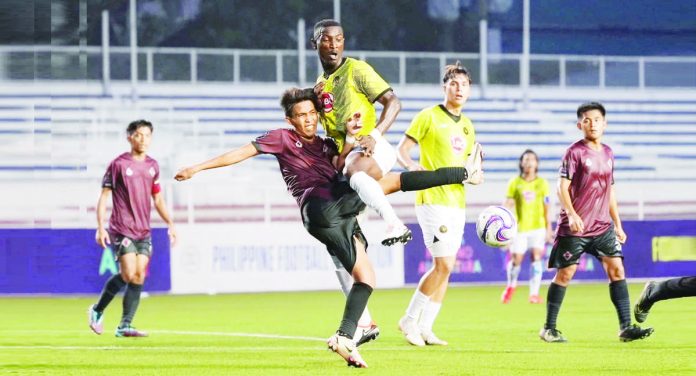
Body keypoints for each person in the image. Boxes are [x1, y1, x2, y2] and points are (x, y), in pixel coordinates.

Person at [174, 88, 480, 367]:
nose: (307, 120)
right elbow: (242, 152)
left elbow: (340, 164)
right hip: (320, 204)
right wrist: (197, 168)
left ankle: (345, 337)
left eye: (311, 114)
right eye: (301, 115)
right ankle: (461, 174)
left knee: (366, 278)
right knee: (393, 180)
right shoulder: (282, 137)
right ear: (290, 119)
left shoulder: (323, 145)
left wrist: (348, 139)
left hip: (333, 216)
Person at [310, 18, 406, 345]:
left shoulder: (357, 70)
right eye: (326, 40)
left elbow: (394, 101)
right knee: (336, 242)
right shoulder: (320, 86)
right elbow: (334, 139)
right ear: (315, 45)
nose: (334, 45)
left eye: (338, 39)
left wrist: (375, 135)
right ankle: (364, 322)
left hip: (374, 153)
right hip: (349, 164)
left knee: (354, 170)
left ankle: (394, 223)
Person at [539, 102, 653, 343]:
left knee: (617, 270)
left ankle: (625, 327)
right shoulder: (574, 152)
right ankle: (549, 328)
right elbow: (562, 187)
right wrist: (571, 214)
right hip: (576, 228)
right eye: (587, 120)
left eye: (597, 119)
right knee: (566, 274)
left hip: (603, 227)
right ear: (580, 124)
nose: (592, 124)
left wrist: (618, 224)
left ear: (605, 123)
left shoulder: (609, 153)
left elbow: (610, 191)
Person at [396, 62, 483, 347]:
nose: (459, 89)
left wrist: (475, 175)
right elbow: (402, 149)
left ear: (469, 90)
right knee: (443, 264)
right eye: (454, 84)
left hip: (458, 202)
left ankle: (426, 327)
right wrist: (411, 165)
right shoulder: (429, 116)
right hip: (432, 198)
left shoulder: (468, 126)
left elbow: (471, 168)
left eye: (464, 85)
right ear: (444, 87)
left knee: (448, 267)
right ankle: (409, 320)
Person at [88, 119, 177, 338]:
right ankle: (97, 310)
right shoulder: (118, 165)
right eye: (139, 135)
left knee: (138, 276)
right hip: (122, 227)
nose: (143, 139)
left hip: (143, 230)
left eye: (147, 135)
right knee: (128, 273)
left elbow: (157, 199)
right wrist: (100, 227)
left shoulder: (153, 166)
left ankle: (125, 325)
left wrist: (170, 223)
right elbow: (104, 196)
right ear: (129, 137)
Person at [500, 149, 554, 304]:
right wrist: (502, 215)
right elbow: (509, 202)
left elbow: (546, 207)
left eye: (532, 159)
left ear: (536, 163)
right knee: (516, 259)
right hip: (520, 228)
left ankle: (534, 293)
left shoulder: (542, 183)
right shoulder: (514, 182)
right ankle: (511, 286)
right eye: (526, 159)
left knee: (536, 257)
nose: (529, 162)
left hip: (538, 227)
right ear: (521, 163)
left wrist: (548, 227)